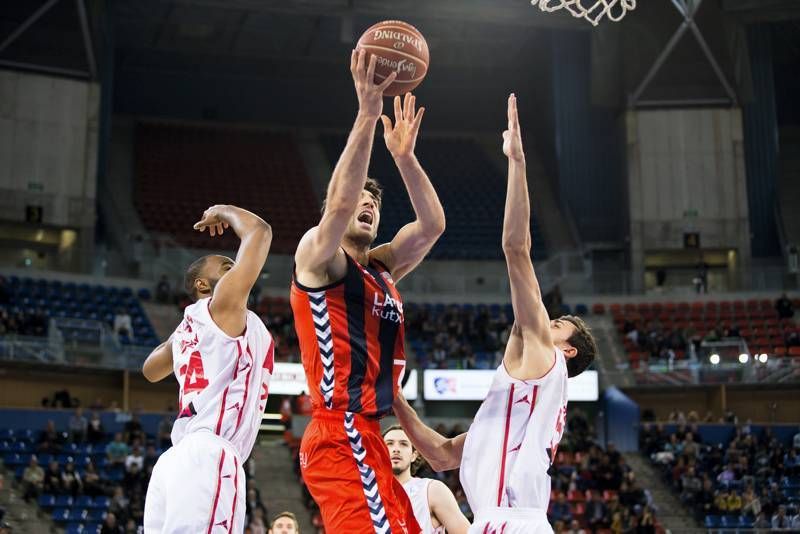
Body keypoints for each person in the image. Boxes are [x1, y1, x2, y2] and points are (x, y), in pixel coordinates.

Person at [392, 95, 598, 534]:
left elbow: (516, 249)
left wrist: (517, 163)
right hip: (500, 522)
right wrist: (392, 396)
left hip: (511, 523)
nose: (544, 320)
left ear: (567, 348)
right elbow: (442, 455)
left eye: (556, 322)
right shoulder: (514, 411)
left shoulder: (545, 359)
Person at [290, 49, 444, 534]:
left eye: (375, 201)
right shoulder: (319, 257)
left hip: (372, 431)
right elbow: (336, 206)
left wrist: (404, 157)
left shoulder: (382, 267)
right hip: (339, 428)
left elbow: (432, 225)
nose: (368, 204)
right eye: (361, 197)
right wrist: (367, 114)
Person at [142, 204, 275, 533]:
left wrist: (182, 338)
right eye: (227, 267)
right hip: (210, 453)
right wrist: (221, 210)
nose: (235, 271)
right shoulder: (222, 308)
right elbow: (260, 232)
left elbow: (150, 370)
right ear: (203, 285)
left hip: (174, 462)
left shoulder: (192, 325)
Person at [383, 425, 470, 534]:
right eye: (389, 444)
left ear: (414, 455)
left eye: (403, 444)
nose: (396, 449)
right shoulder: (363, 495)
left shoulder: (432, 490)